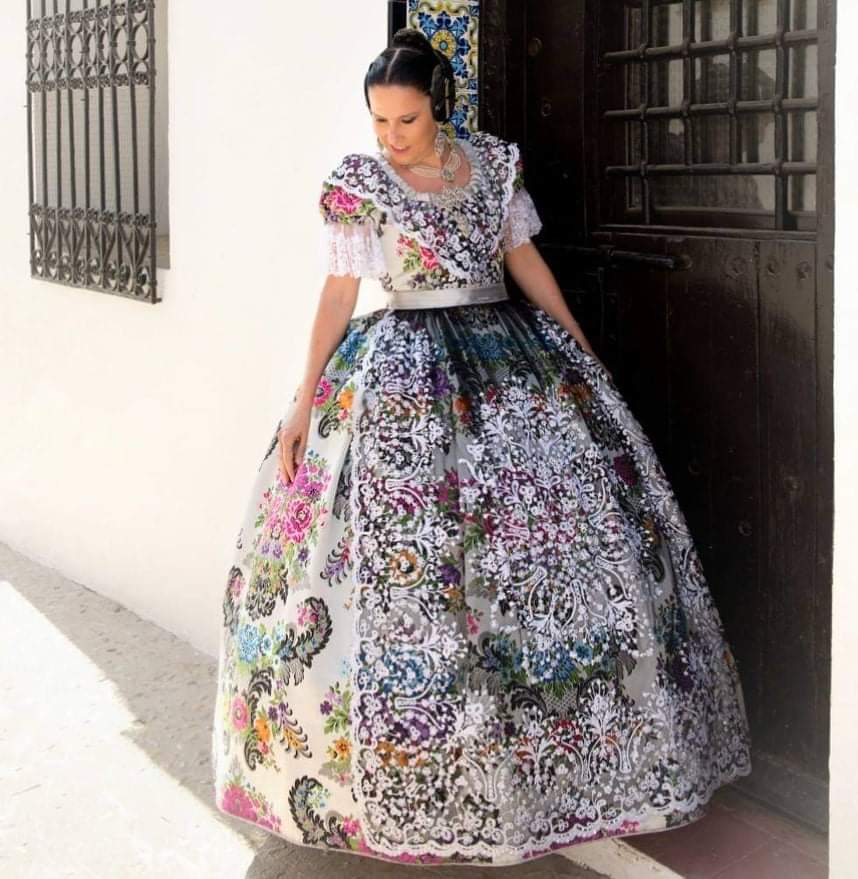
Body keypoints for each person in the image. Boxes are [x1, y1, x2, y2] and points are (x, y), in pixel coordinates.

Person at [211, 26, 752, 868]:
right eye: (378, 120)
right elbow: (338, 295)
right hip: (401, 369)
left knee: (536, 553)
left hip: (509, 358)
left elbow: (522, 260)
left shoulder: (493, 165)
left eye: (406, 120)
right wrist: (302, 400)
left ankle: (561, 763)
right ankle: (417, 769)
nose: (390, 136)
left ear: (438, 106)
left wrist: (576, 343)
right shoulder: (360, 183)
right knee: (419, 561)